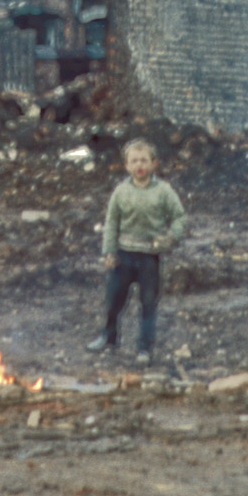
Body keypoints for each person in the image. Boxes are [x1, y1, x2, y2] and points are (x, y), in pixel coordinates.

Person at [91, 138, 186, 364]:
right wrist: (109, 252)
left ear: (154, 164)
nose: (139, 165)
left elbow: (179, 217)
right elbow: (111, 222)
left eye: (144, 160)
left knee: (148, 303)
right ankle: (108, 337)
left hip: (149, 257)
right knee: (114, 300)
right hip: (123, 256)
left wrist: (171, 237)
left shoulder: (163, 191)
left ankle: (145, 347)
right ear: (126, 166)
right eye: (134, 161)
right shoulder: (121, 192)